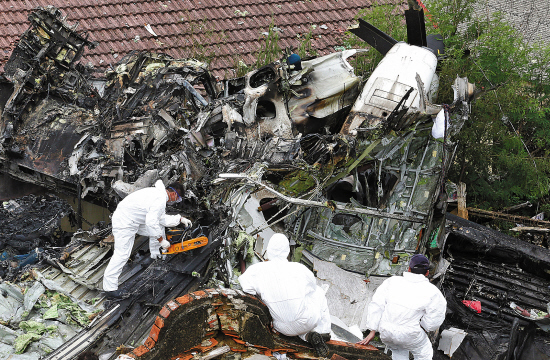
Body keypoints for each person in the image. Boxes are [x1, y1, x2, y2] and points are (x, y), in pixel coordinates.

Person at [238, 233, 331, 356]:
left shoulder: (257, 270)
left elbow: (245, 286)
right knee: (318, 291)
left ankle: (307, 336)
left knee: (288, 318)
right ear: (287, 251)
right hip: (306, 321)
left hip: (280, 327)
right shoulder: (299, 268)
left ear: (269, 250)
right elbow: (312, 286)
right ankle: (322, 332)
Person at [102, 180, 192, 297]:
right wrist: (161, 240)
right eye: (177, 199)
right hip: (125, 222)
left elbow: (160, 219)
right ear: (174, 194)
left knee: (158, 226)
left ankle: (156, 255)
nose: (175, 202)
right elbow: (151, 223)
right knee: (122, 253)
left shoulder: (156, 194)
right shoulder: (159, 199)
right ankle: (109, 289)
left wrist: (180, 219)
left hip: (133, 220)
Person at [358, 254, 446, 360]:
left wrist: (372, 330)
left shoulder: (391, 282)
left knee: (398, 351)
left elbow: (376, 305)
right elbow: (435, 318)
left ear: (409, 269)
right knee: (424, 353)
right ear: (427, 273)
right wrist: (424, 326)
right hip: (410, 334)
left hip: (386, 332)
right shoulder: (433, 292)